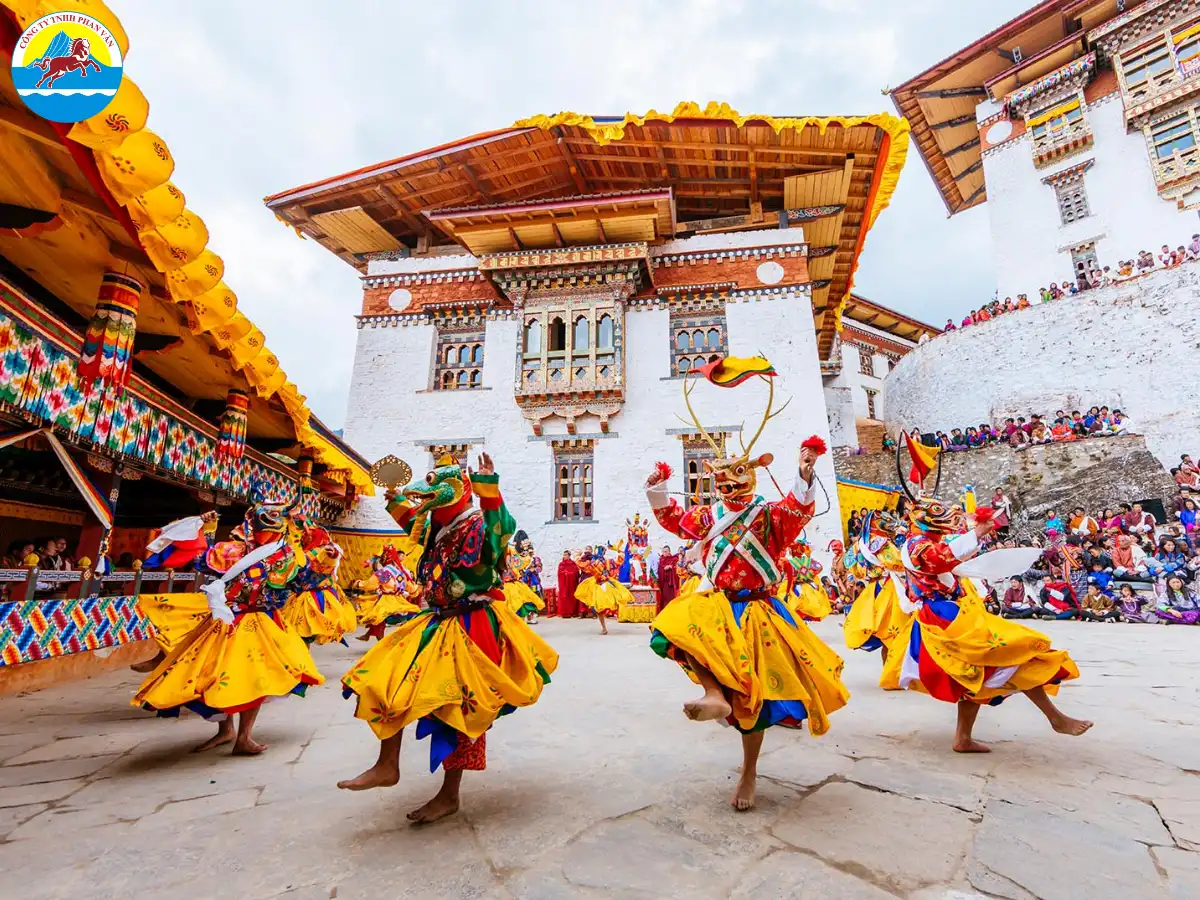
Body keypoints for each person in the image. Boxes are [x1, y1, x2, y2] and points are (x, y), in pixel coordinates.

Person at [645, 365, 848, 811]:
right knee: (671, 626)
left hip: (758, 610)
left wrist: (804, 471)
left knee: (753, 697)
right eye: (722, 479)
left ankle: (749, 772)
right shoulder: (707, 515)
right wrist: (657, 489)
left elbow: (797, 511)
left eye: (737, 477)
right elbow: (672, 521)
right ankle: (712, 695)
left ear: (752, 476)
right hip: (717, 606)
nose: (729, 485)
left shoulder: (768, 515)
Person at [337, 453, 559, 823]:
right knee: (385, 679)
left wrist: (490, 486)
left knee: (457, 710)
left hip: (473, 625)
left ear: (456, 490)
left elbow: (500, 528)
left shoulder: (478, 525)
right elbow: (410, 518)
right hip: (435, 620)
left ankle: (448, 794)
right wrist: (392, 494)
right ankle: (386, 764)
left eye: (433, 485)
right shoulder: (437, 525)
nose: (421, 495)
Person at [881, 499, 1090, 752]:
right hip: (943, 616)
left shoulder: (929, 542)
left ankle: (964, 738)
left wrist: (977, 534)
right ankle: (1055, 718)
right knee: (1014, 652)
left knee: (978, 672)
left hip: (951, 612)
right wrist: (976, 533)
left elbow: (953, 557)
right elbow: (938, 560)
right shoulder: (917, 544)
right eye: (938, 512)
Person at [133, 496, 325, 755]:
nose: (268, 529)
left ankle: (243, 735)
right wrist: (201, 529)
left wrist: (326, 562)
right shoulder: (230, 550)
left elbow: (302, 583)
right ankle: (227, 731)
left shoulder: (287, 555)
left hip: (262, 622)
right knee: (214, 674)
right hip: (227, 620)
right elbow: (200, 562)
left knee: (253, 679)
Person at [350, 545, 422, 642]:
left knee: (377, 616)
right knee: (377, 617)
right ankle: (369, 635)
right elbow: (411, 588)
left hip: (387, 600)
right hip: (399, 599)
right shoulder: (400, 572)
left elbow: (370, 585)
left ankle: (381, 641)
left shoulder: (384, 572)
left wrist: (358, 584)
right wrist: (416, 590)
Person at [575, 545, 631, 634]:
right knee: (611, 601)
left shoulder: (592, 562)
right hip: (606, 584)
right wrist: (618, 550)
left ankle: (604, 627)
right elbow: (620, 560)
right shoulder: (608, 561)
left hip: (599, 585)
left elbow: (581, 565)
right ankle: (606, 623)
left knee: (599, 608)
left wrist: (578, 556)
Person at [656, 544, 681, 614]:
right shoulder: (661, 560)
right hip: (664, 583)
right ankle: (664, 612)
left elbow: (677, 568)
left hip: (671, 583)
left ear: (669, 551)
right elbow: (660, 570)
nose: (665, 553)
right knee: (664, 598)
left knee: (671, 598)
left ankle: (671, 612)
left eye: (666, 551)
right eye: (663, 551)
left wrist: (671, 567)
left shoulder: (674, 559)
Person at [556, 549, 581, 618]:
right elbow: (559, 574)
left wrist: (571, 574)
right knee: (565, 597)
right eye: (564, 555)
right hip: (564, 584)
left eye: (566, 555)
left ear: (569, 556)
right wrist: (566, 574)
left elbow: (577, 573)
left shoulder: (573, 564)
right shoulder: (561, 564)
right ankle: (565, 613)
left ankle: (573, 612)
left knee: (572, 597)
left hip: (572, 584)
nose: (564, 556)